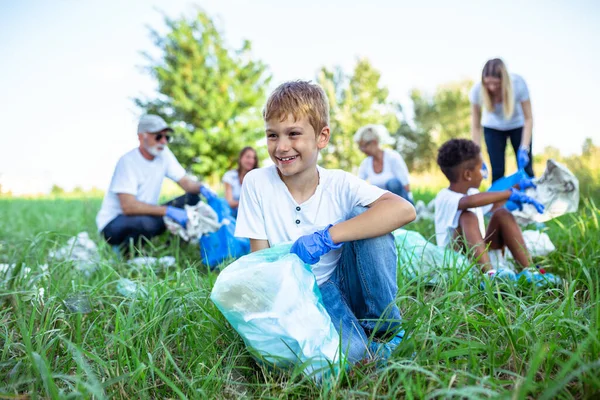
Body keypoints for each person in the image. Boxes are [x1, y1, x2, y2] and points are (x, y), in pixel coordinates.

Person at [235, 81, 416, 364]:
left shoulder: (339, 183)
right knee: (349, 359)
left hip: (341, 280)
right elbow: (260, 261)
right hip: (300, 296)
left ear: (322, 137)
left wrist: (328, 236)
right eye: (272, 135)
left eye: (294, 134)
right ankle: (363, 346)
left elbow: (403, 210)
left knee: (367, 218)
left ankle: (381, 328)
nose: (281, 147)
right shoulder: (257, 183)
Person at [434, 138, 559, 285]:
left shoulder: (473, 192)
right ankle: (490, 276)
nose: (484, 173)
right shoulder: (445, 197)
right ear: (468, 175)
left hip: (478, 255)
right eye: (481, 168)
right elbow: (469, 202)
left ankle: (530, 271)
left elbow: (492, 204)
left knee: (502, 214)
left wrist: (519, 188)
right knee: (468, 216)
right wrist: (509, 193)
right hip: (456, 263)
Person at [96, 114, 215, 250]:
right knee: (147, 223)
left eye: (166, 137)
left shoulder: (164, 155)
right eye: (158, 136)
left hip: (146, 215)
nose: (163, 141)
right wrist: (169, 211)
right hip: (114, 224)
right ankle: (126, 252)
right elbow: (128, 207)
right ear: (142, 137)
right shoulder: (127, 162)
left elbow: (185, 182)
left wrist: (201, 188)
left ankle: (170, 249)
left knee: (192, 198)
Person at [470, 58, 534, 183]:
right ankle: (498, 201)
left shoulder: (518, 84)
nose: (492, 88)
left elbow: (529, 118)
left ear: (504, 81)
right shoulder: (476, 91)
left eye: (496, 83)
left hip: (518, 126)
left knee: (526, 170)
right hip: (492, 128)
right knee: (497, 171)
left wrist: (525, 147)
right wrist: (477, 154)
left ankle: (531, 200)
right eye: (488, 84)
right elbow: (476, 126)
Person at [354, 124, 413, 204]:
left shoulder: (392, 157)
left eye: (363, 146)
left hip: (403, 203)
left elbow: (407, 187)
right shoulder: (366, 163)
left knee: (393, 183)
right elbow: (358, 186)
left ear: (374, 142)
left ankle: (403, 214)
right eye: (360, 147)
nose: (362, 150)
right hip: (383, 205)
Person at [222, 146, 259, 218]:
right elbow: (229, 202)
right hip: (234, 214)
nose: (251, 161)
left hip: (252, 215)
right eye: (248, 157)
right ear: (240, 158)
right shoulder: (230, 176)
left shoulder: (257, 177)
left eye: (253, 158)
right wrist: (248, 203)